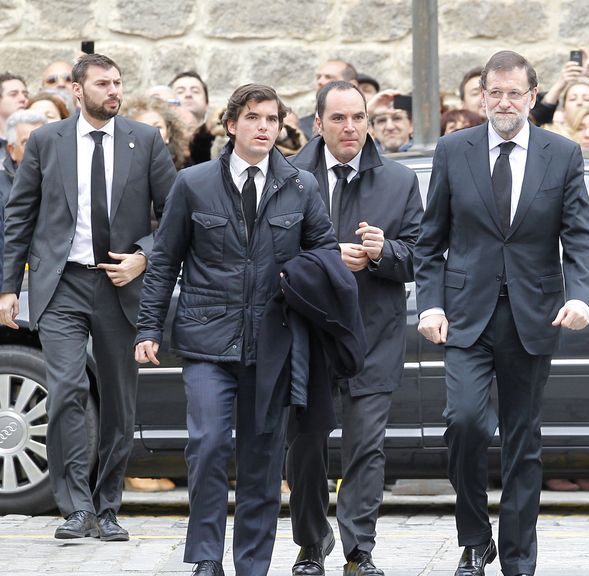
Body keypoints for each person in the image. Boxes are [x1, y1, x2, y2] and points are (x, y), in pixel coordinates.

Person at [134, 83, 337, 576]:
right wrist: (148, 328)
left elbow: (325, 252)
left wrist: (310, 275)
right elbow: (164, 260)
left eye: (271, 119)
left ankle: (252, 563)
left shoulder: (300, 185)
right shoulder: (195, 183)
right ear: (231, 125)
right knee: (207, 443)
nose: (263, 127)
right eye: (253, 118)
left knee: (262, 457)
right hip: (207, 339)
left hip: (273, 341)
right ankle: (206, 557)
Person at [414, 50, 589, 576]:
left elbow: (580, 238)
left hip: (533, 316)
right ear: (482, 96)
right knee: (465, 422)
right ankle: (475, 539)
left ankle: (518, 558)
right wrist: (429, 304)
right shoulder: (454, 150)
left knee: (523, 440)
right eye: (494, 92)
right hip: (465, 316)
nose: (503, 102)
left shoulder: (561, 154)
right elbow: (431, 243)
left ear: (532, 97)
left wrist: (580, 296)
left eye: (514, 93)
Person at [0, 53, 176, 542]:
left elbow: (175, 217)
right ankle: (75, 506)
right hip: (61, 285)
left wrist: (144, 255)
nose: (113, 91)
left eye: (118, 82)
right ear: (77, 91)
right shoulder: (44, 142)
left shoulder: (145, 142)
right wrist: (8, 289)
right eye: (103, 84)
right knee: (67, 392)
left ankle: (109, 505)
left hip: (121, 285)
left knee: (120, 401)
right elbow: (20, 217)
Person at [288, 79, 423, 576]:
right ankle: (310, 543)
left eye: (359, 118)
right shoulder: (289, 176)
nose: (351, 128)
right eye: (339, 118)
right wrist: (327, 259)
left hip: (373, 333)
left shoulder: (398, 181)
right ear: (317, 123)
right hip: (307, 333)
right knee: (305, 445)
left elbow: (419, 256)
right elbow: (270, 257)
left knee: (366, 445)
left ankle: (357, 549)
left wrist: (382, 252)